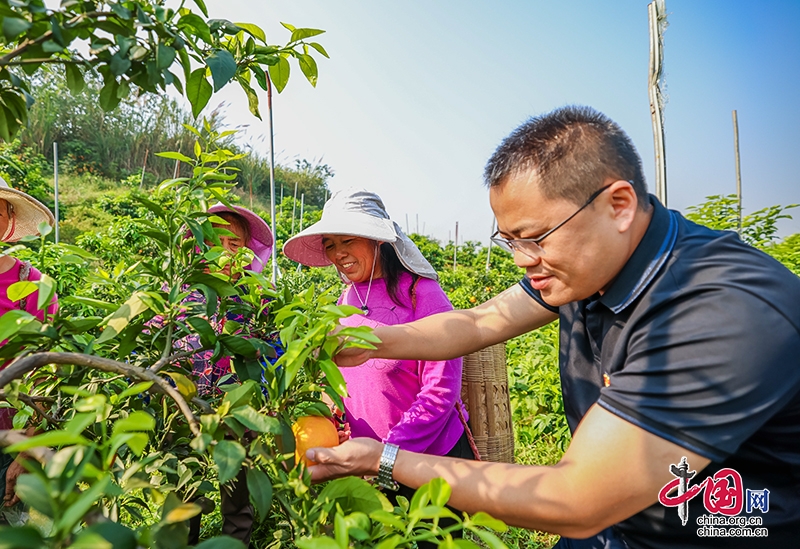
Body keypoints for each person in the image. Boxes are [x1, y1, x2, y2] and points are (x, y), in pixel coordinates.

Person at [306, 107, 800, 549]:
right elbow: (479, 323)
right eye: (510, 241)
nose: (524, 260)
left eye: (536, 238)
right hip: (614, 530)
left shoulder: (722, 310)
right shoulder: (587, 269)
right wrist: (373, 342)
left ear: (619, 205)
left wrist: (383, 460)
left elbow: (578, 498)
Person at [283, 189, 476, 509]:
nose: (337, 253)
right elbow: (338, 379)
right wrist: (332, 416)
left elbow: (441, 388)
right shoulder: (345, 301)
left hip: (428, 461)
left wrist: (388, 454)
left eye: (348, 241)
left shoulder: (421, 294)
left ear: (378, 240)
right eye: (330, 244)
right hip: (367, 465)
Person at [179, 203, 276, 546]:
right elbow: (155, 337)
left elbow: (275, 348)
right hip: (183, 408)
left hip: (237, 411)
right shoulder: (181, 292)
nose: (232, 251)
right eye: (222, 242)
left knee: (236, 493)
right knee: (184, 489)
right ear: (202, 245)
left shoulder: (256, 297)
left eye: (239, 245)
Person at [0, 176, 58, 511]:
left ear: (8, 219)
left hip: (11, 439)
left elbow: (49, 375)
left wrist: (26, 453)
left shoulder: (33, 286)